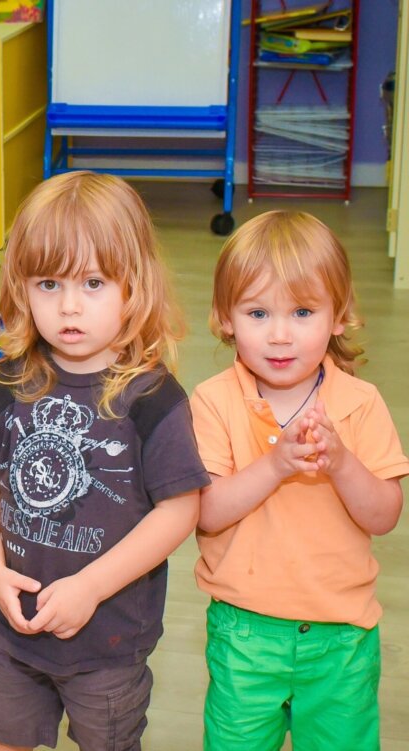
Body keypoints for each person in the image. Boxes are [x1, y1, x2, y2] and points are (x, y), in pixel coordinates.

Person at [0, 171, 209, 751]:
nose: (69, 307)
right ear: (21, 287)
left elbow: (179, 510)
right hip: (15, 629)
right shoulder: (5, 381)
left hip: (109, 644)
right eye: (48, 283)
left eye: (93, 283)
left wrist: (91, 588)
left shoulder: (152, 398)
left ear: (134, 287)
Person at [191, 211, 408, 751]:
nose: (280, 335)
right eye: (258, 312)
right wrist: (276, 465)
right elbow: (207, 513)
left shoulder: (361, 404)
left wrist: (342, 464)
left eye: (304, 311)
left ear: (340, 316)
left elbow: (384, 515)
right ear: (225, 318)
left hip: (342, 638)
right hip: (244, 633)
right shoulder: (211, 402)